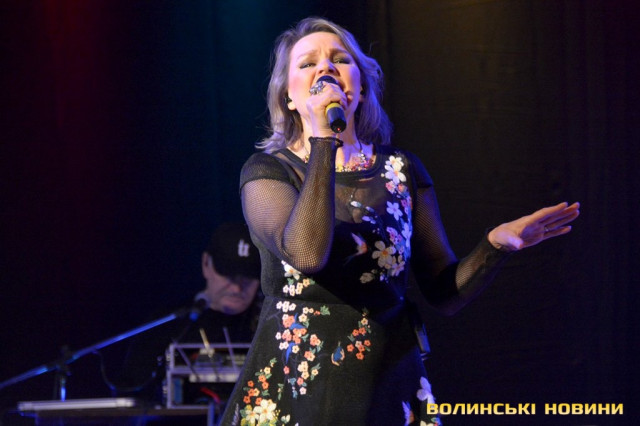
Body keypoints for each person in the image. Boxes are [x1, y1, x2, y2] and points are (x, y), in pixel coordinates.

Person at [219, 17, 580, 425]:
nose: (326, 68)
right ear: (288, 96)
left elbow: (442, 291)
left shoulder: (400, 170)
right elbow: (306, 254)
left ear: (361, 86)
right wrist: (324, 140)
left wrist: (494, 246)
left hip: (387, 378)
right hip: (299, 384)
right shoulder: (269, 172)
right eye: (308, 63)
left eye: (340, 59)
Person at [116, 222, 262, 406]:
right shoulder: (169, 325)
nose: (237, 288)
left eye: (247, 277)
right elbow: (130, 394)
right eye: (228, 275)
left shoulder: (273, 326)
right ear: (206, 263)